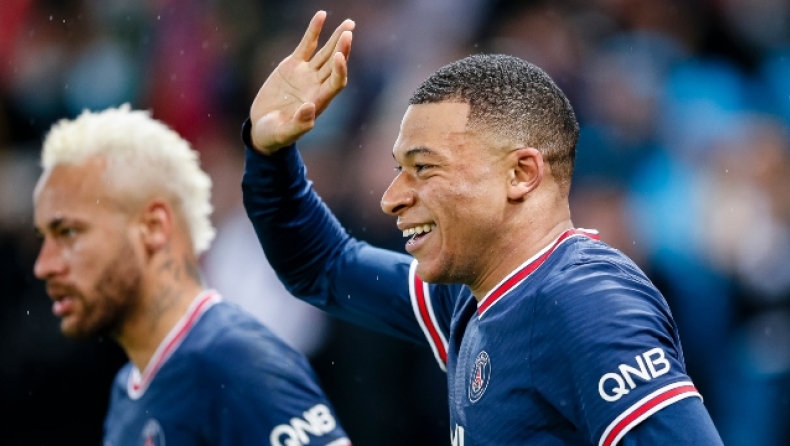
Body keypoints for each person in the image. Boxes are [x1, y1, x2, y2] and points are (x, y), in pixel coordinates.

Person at [242, 11, 724, 446]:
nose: (392, 198)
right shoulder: (470, 297)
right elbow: (322, 266)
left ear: (520, 174)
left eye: (423, 168)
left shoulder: (586, 304)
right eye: (398, 169)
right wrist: (270, 153)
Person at [32, 104, 351, 446]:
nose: (44, 264)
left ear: (153, 228)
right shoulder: (128, 389)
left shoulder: (236, 363)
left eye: (68, 232)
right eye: (43, 238)